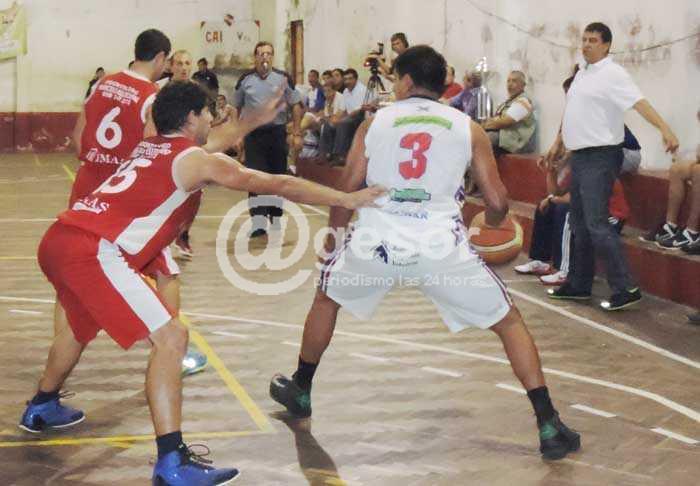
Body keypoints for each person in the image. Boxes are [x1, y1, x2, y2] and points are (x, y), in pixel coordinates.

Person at [19, 80, 385, 484]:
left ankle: (43, 404)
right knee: (171, 337)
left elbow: (209, 145)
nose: (212, 119)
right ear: (192, 117)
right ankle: (172, 462)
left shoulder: (150, 146)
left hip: (61, 240)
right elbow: (276, 183)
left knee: (77, 326)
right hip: (94, 252)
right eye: (208, 112)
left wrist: (250, 122)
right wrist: (346, 199)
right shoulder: (192, 160)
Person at [269, 45, 581, 461]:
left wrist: (334, 239)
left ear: (407, 81)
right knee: (508, 322)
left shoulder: (375, 123)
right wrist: (492, 224)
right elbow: (497, 201)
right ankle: (548, 424)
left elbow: (347, 189)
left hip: (377, 241)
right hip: (439, 246)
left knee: (327, 298)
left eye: (396, 79)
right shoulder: (468, 127)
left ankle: (302, 389)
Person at [544, 22, 678, 311]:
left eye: (593, 40)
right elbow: (573, 111)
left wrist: (664, 128)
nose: (586, 44)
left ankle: (626, 287)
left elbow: (639, 103)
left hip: (601, 156)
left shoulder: (613, 74)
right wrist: (558, 142)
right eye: (584, 39)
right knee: (579, 223)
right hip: (580, 156)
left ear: (606, 45)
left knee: (596, 223)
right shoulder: (582, 73)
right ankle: (579, 284)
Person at [233, 41, 304, 238]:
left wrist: (297, 132)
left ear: (272, 57)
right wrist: (237, 135)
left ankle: (275, 218)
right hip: (254, 135)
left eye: (268, 53)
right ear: (255, 57)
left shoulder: (283, 78)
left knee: (277, 177)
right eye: (261, 54)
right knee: (255, 178)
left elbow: (296, 105)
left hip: (277, 134)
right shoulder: (245, 80)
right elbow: (236, 108)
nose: (265, 57)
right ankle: (258, 222)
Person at [483, 70, 536, 154]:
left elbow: (504, 122)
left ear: (523, 85)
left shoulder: (523, 101)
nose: (510, 84)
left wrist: (484, 126)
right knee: (477, 137)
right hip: (504, 138)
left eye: (514, 81)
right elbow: (496, 119)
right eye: (508, 81)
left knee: (483, 139)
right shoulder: (510, 101)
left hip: (515, 143)